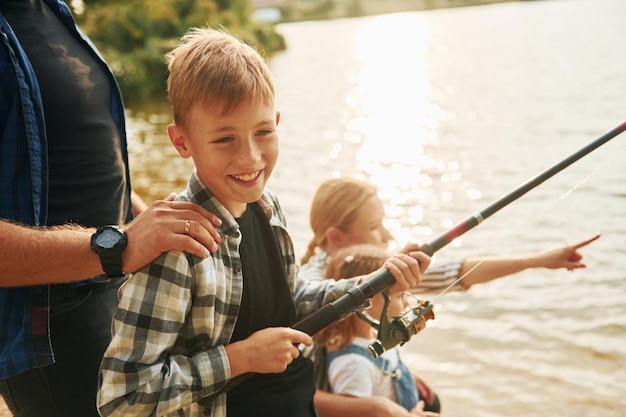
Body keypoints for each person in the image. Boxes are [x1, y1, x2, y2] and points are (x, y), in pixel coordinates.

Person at [96, 27, 430, 417]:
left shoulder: (267, 207)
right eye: (225, 139)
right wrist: (239, 358)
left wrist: (372, 284)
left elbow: (291, 297)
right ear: (182, 142)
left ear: (277, 121)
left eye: (263, 132)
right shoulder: (176, 246)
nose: (251, 158)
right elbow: (121, 398)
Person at [0, 1, 222, 416]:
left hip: (118, 295)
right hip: (53, 334)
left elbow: (85, 162)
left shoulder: (52, 11)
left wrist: (155, 219)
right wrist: (116, 246)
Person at [300, 176, 600, 417]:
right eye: (374, 227)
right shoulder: (309, 294)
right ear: (337, 238)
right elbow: (290, 391)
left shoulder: (373, 267)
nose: (388, 236)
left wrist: (539, 260)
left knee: (433, 402)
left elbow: (454, 273)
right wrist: (379, 408)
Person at [317, 243, 440, 417]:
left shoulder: (374, 335)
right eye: (399, 296)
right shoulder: (353, 363)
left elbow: (384, 368)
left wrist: (405, 375)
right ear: (366, 303)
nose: (407, 304)